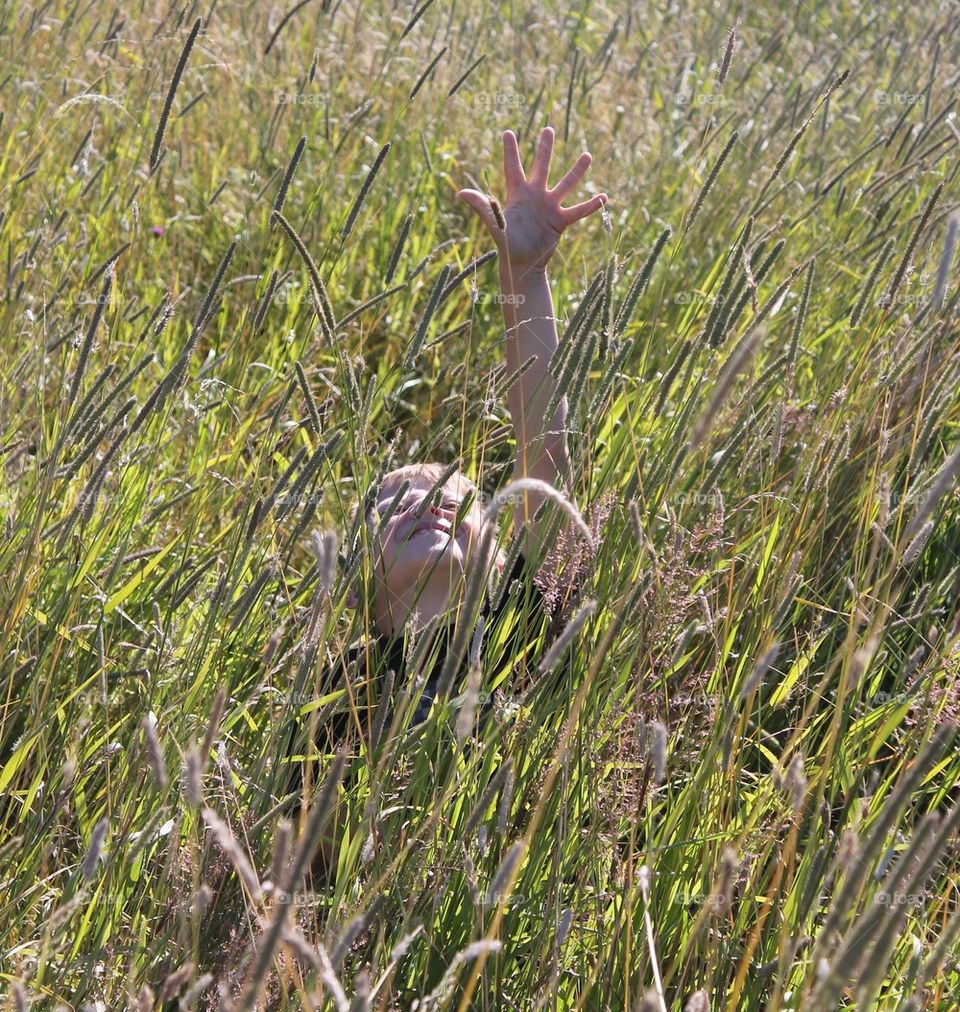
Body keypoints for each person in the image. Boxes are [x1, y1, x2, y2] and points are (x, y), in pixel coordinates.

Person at [285, 125, 607, 870]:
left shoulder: (517, 626)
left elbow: (545, 460)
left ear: (497, 548)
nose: (428, 498)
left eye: (455, 496)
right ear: (359, 579)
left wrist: (523, 279)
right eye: (393, 501)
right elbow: (306, 864)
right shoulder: (344, 689)